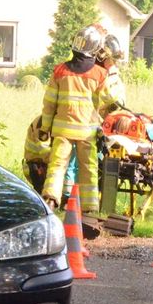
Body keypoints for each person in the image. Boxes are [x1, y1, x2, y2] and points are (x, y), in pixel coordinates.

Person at [40, 26, 111, 213]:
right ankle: (89, 208)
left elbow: (49, 103)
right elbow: (109, 100)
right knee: (88, 168)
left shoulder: (60, 71)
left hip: (62, 130)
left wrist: (45, 127)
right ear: (95, 49)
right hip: (87, 131)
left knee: (57, 165)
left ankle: (50, 200)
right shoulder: (99, 74)